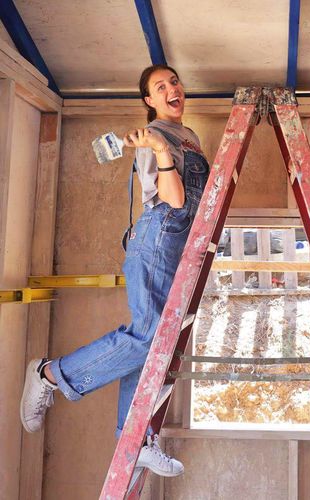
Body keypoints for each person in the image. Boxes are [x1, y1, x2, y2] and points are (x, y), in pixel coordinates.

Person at [20, 63, 209, 478]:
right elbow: (175, 201)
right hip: (158, 238)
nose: (172, 89)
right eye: (160, 87)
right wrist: (157, 150)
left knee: (149, 344)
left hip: (176, 247)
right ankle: (51, 374)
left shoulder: (189, 136)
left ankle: (134, 438)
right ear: (149, 101)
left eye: (174, 81)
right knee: (149, 338)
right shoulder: (156, 137)